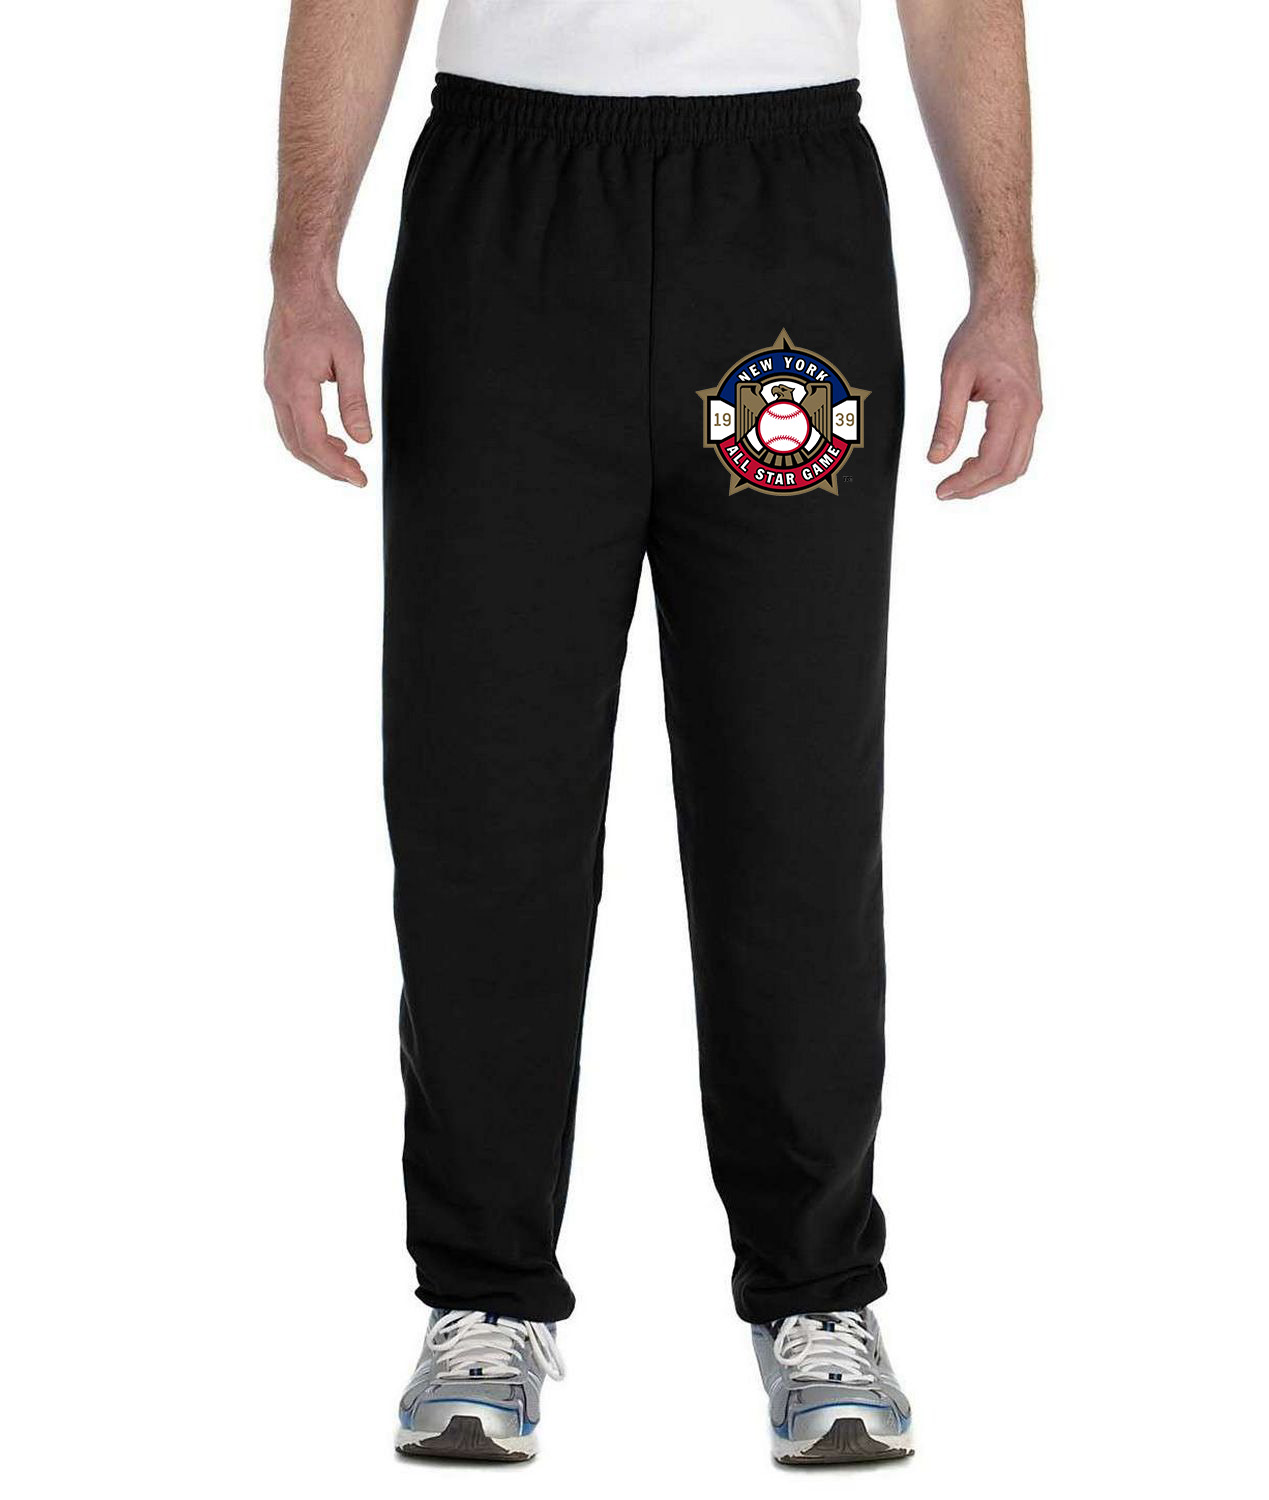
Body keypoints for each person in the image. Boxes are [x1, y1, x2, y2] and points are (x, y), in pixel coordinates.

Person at [264, 0, 1041, 1467]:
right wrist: (305, 266)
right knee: (482, 790)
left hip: (785, 214)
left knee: (794, 796)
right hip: (506, 212)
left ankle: (817, 1294)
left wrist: (1004, 287)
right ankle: (482, 1295)